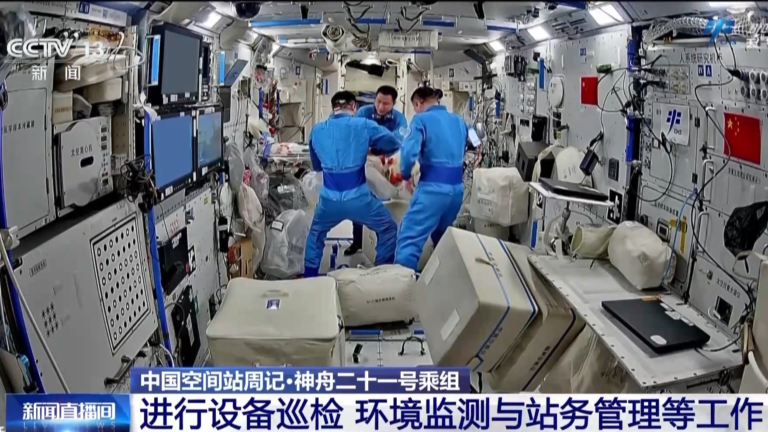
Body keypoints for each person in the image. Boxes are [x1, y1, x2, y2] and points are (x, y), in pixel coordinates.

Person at [304, 90, 401, 277]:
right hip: (359, 200)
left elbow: (317, 167)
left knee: (315, 234)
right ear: (354, 107)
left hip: (329, 201)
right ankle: (382, 276)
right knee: (388, 228)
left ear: (333, 108)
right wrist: (371, 148)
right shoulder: (364, 124)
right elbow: (393, 143)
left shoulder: (316, 130)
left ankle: (309, 277)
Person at [395, 87, 467, 271]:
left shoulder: (420, 120)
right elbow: (469, 146)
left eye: (415, 107)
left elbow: (408, 152)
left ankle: (402, 283)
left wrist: (405, 175)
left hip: (432, 190)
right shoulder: (458, 121)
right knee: (442, 238)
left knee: (409, 238)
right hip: (456, 191)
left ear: (418, 103)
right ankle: (444, 279)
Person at [345, 85, 408, 257]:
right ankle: (357, 241)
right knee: (360, 202)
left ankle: (383, 243)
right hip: (364, 162)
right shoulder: (363, 113)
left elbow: (399, 141)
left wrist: (374, 144)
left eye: (386, 104)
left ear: (393, 103)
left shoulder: (399, 119)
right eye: (378, 101)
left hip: (387, 164)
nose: (380, 106)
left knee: (384, 204)